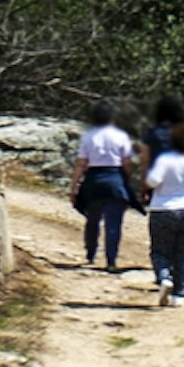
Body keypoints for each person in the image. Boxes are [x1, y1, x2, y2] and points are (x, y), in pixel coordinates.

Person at [142, 123, 184, 305]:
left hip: (163, 209)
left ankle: (164, 276)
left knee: (159, 251)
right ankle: (178, 294)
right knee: (183, 254)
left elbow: (152, 181)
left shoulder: (165, 160)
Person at [73, 104, 137, 272]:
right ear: (112, 118)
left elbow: (81, 163)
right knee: (114, 222)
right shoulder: (121, 136)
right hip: (115, 177)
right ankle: (111, 260)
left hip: (94, 179)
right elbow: (127, 162)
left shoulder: (88, 136)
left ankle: (91, 253)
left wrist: (73, 187)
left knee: (92, 219)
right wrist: (127, 179)